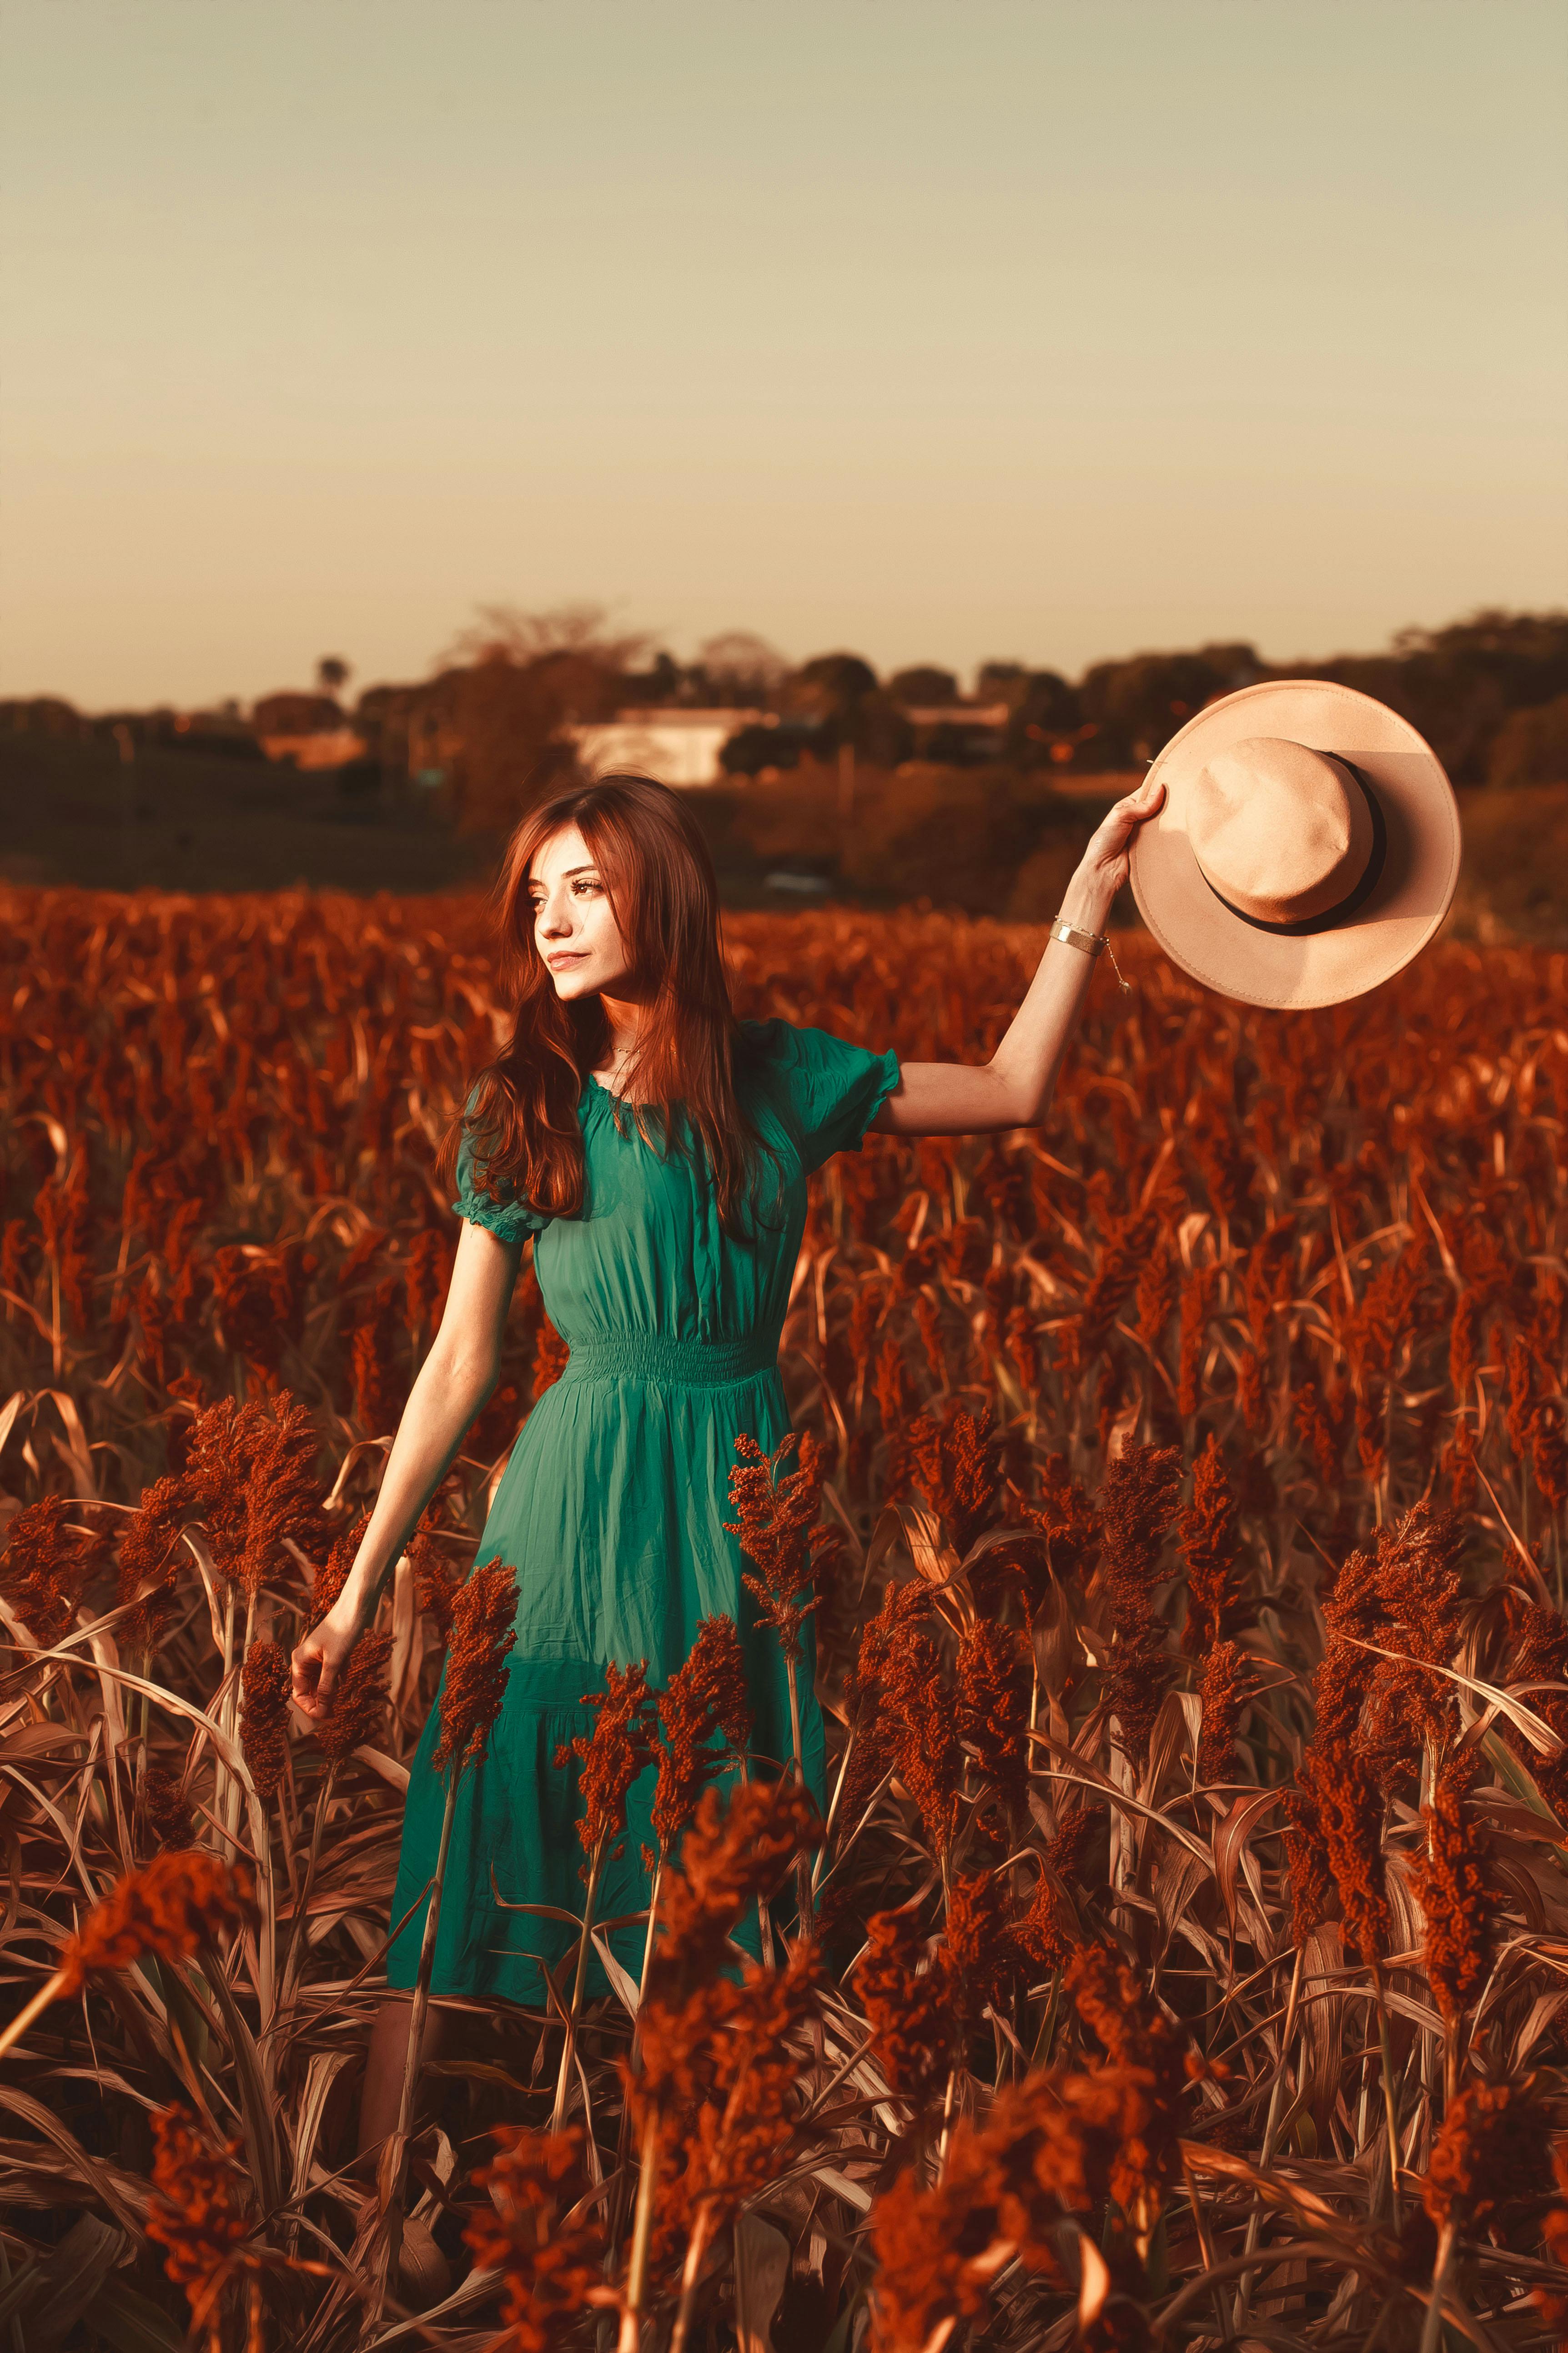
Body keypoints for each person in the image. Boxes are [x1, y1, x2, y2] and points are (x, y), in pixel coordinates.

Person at [289, 766, 1164, 2153]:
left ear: (666, 891)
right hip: (574, 1490)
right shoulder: (524, 1098)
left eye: (585, 887)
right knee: (486, 1810)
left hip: (742, 1490)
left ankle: (681, 2197)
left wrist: (1086, 900)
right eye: (536, 897)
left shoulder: (782, 1076)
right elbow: (460, 1364)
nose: (554, 921)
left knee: (729, 1817)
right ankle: (381, 2216)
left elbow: (1012, 1089)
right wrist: (353, 1593)